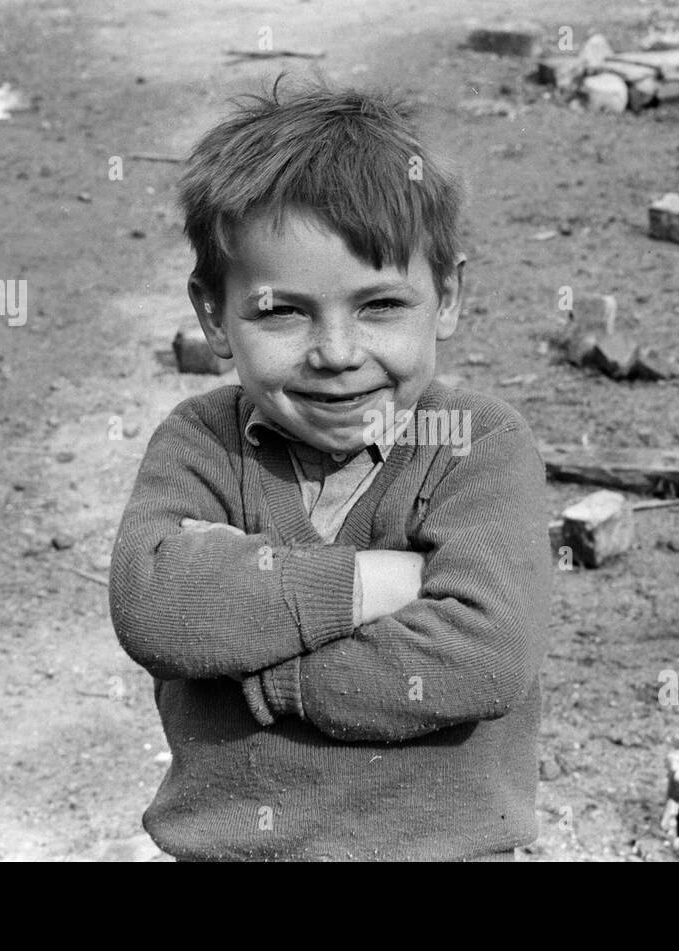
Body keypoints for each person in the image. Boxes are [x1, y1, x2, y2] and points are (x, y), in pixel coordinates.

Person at [109, 80, 551, 861]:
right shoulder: (200, 442)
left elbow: (485, 655)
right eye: (282, 311)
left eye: (380, 305)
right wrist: (386, 582)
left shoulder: (477, 444)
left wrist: (276, 680)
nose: (338, 353)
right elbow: (159, 605)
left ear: (446, 296)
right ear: (214, 315)